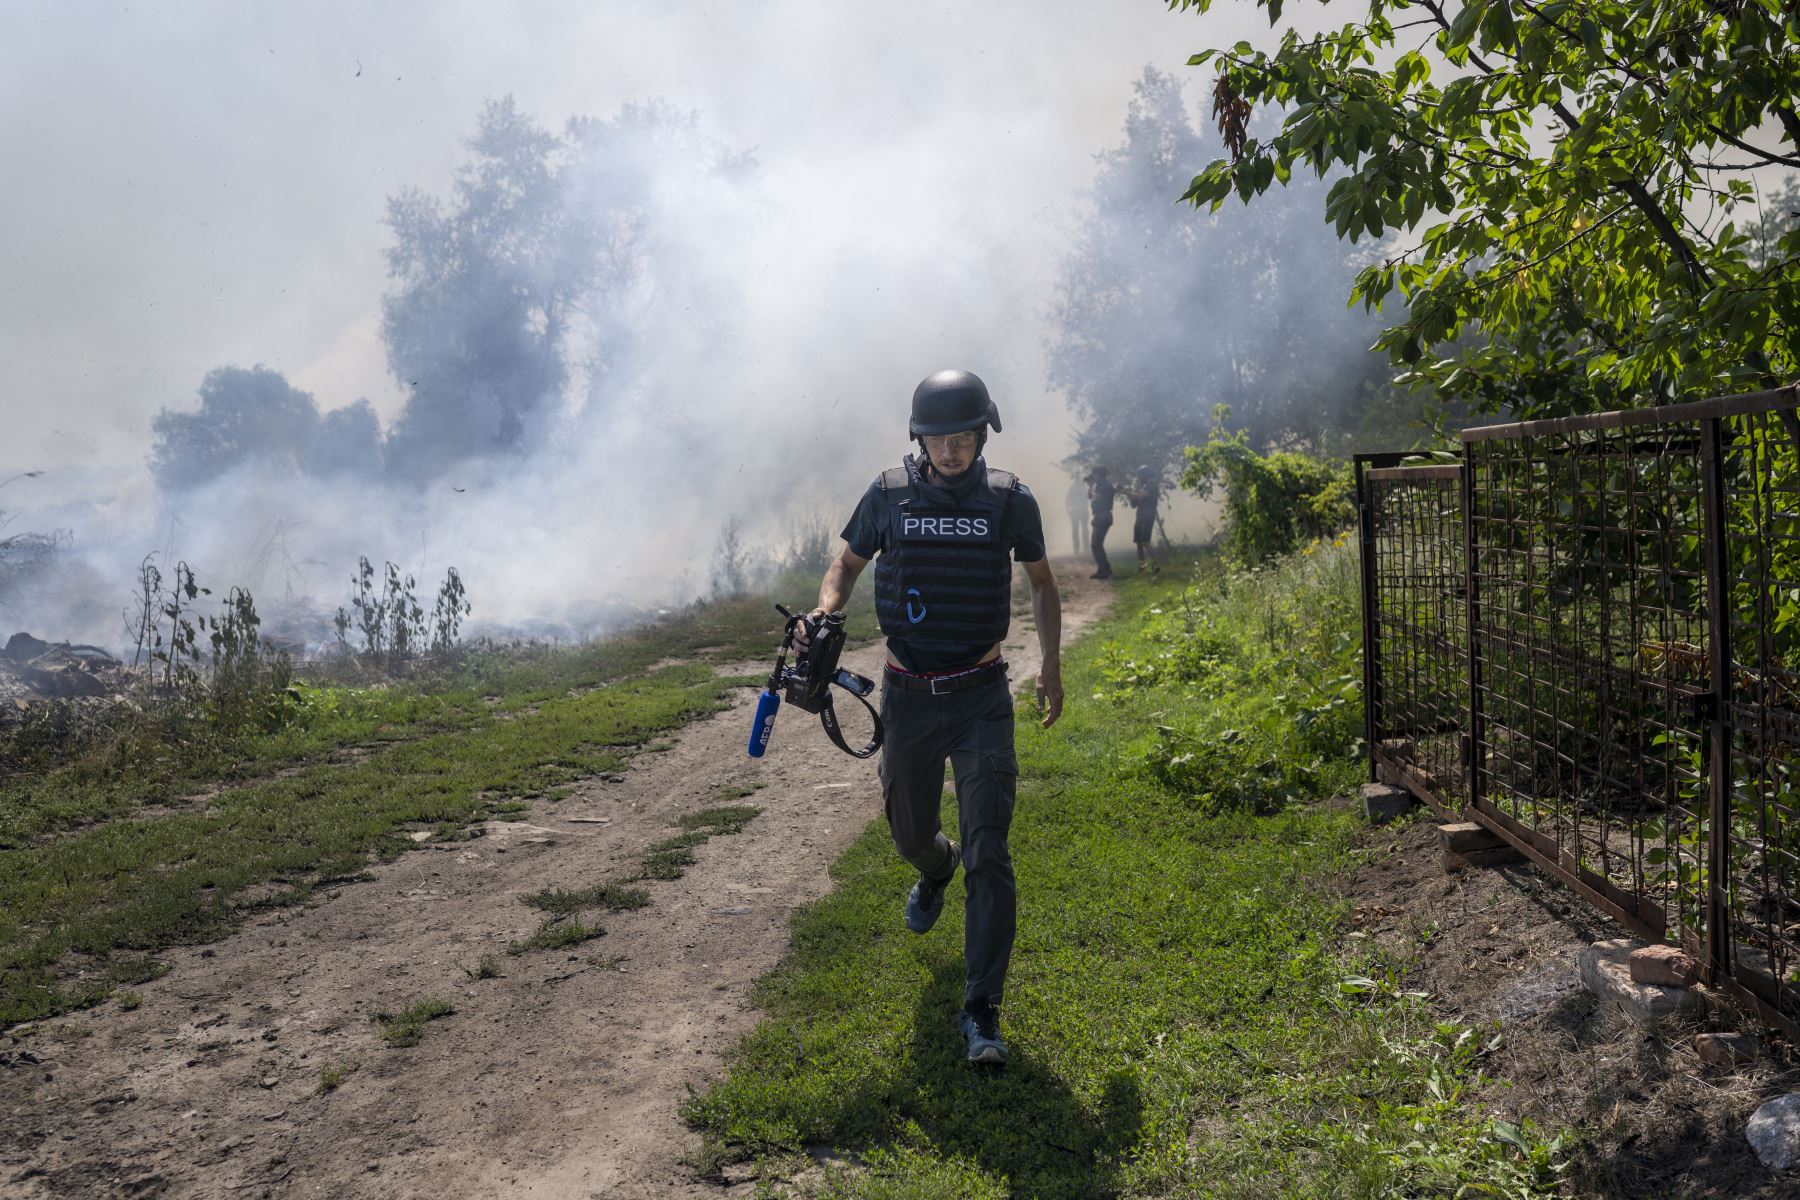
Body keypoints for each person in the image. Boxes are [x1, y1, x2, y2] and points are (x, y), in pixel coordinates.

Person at [796, 369, 1063, 1065]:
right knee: (913, 836)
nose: (951, 451)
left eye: (964, 437)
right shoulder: (886, 495)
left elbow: (1042, 584)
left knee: (991, 850)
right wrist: (825, 611)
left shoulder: (1011, 501)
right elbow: (844, 566)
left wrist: (1053, 668)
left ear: (983, 435)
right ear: (920, 438)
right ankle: (933, 868)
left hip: (982, 695)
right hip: (909, 696)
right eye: (938, 439)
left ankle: (981, 1011)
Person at [1127, 464, 1161, 574]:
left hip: (1147, 516)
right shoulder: (1142, 488)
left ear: (1145, 476)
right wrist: (1129, 495)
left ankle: (1155, 565)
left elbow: (1141, 496)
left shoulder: (1152, 486)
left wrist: (1130, 492)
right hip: (1140, 516)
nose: (1139, 479)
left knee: (1145, 541)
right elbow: (1134, 504)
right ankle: (1142, 566)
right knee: (1138, 542)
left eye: (1140, 476)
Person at [1085, 466, 1117, 579]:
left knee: (1096, 544)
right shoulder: (1099, 485)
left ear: (1098, 475)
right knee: (1096, 545)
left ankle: (1105, 570)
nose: (1093, 477)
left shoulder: (1106, 485)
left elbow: (1097, 497)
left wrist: (1092, 487)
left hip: (1103, 516)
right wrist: (1090, 486)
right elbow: (1089, 497)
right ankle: (1102, 569)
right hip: (1099, 516)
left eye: (1094, 475)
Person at [1064, 477, 1089, 558]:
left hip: (1075, 511)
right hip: (1081, 511)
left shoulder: (1072, 489)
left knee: (1076, 531)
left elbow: (1067, 501)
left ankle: (1077, 549)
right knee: (1083, 530)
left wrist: (1068, 511)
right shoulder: (1084, 488)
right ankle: (1084, 548)